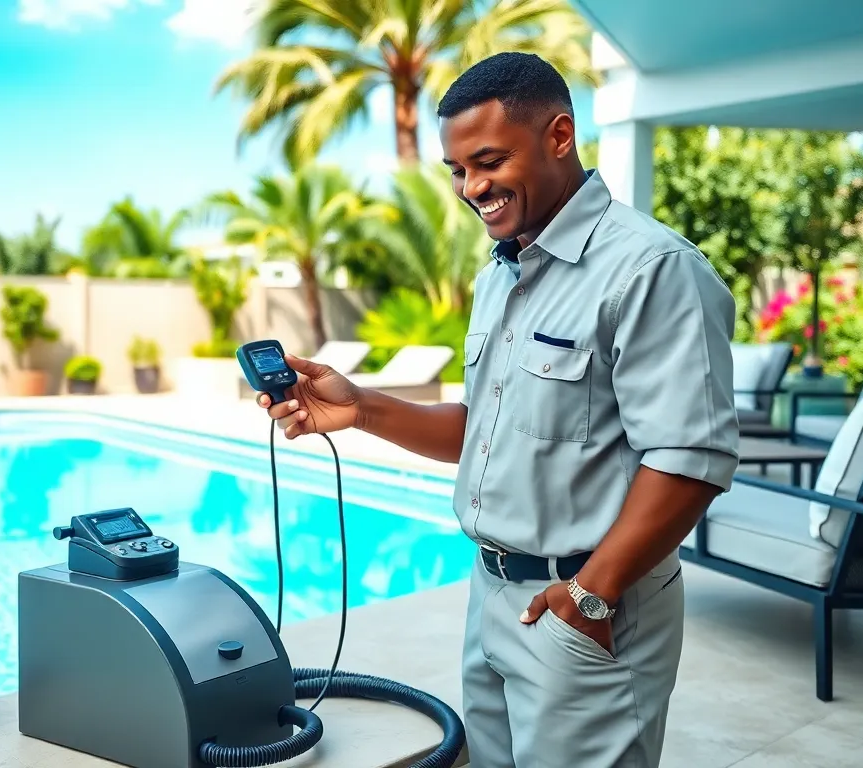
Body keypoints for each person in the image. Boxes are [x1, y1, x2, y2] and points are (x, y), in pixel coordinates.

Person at [255, 51, 739, 767]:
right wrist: (360, 409)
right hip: (496, 596)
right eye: (457, 170)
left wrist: (590, 596)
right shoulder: (501, 274)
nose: (471, 187)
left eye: (487, 161)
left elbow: (690, 459)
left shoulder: (651, 268)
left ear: (560, 136)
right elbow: (486, 431)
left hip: (588, 602)